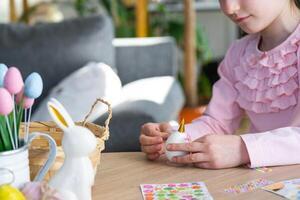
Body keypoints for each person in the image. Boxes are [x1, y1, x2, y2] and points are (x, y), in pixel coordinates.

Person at [140, 0, 300, 169]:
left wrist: (242, 149)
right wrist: (177, 137)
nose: (230, 8)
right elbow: (217, 123)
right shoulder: (239, 54)